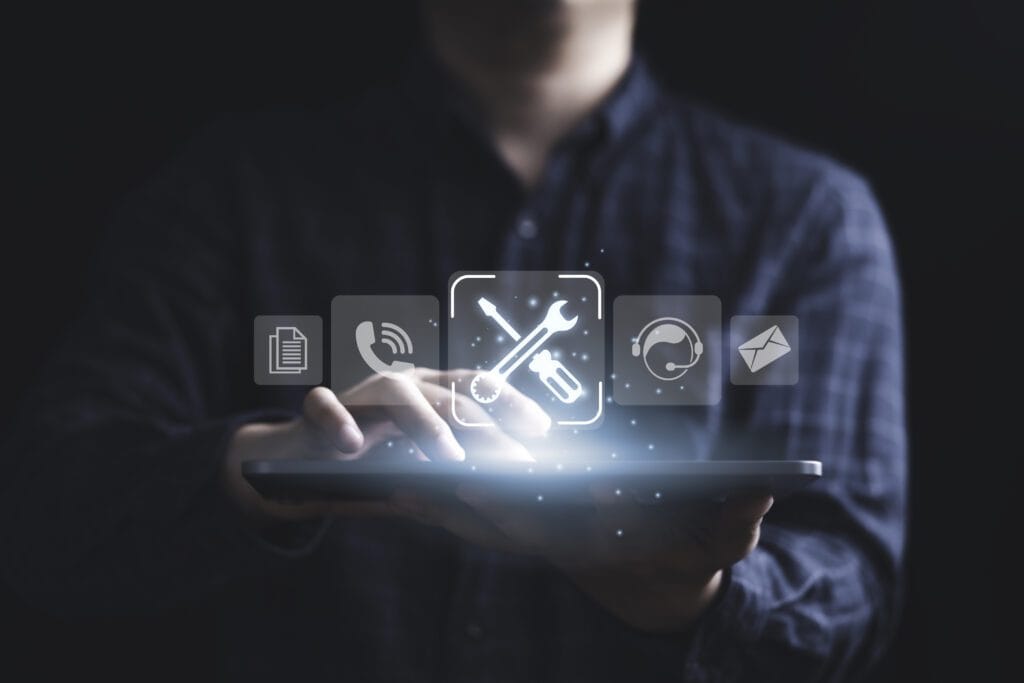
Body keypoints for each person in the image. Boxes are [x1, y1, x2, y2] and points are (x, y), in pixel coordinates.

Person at [0, 0, 906, 680]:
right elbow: (50, 516)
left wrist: (686, 595)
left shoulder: (806, 221)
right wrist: (272, 466)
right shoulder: (226, 194)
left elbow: (852, 589)